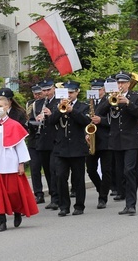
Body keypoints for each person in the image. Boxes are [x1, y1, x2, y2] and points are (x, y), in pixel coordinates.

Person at [0, 96, 39, 232]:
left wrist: (21, 163)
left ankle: (17, 211)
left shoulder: (14, 125)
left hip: (10, 163)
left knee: (13, 191)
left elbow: (20, 146)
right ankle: (1, 220)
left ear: (7, 107)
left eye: (1, 106)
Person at [96, 71, 138, 216]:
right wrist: (109, 99)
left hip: (131, 140)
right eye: (118, 83)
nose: (120, 85)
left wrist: (128, 103)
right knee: (120, 173)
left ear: (128, 84)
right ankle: (126, 202)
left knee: (129, 171)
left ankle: (131, 205)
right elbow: (99, 112)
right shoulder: (111, 98)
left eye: (123, 83)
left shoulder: (136, 97)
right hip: (116, 141)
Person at [47, 81, 90, 216]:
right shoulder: (57, 106)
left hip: (77, 147)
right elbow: (51, 121)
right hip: (61, 147)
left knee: (78, 178)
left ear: (77, 92)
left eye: (71, 92)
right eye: (67, 93)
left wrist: (73, 111)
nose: (69, 95)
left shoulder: (83, 106)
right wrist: (60, 110)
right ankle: (64, 206)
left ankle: (79, 206)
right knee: (60, 177)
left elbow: (86, 121)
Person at [86, 78, 113, 209]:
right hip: (91, 140)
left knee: (106, 170)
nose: (96, 91)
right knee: (90, 170)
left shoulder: (110, 101)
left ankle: (103, 197)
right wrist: (85, 134)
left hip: (106, 140)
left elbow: (113, 121)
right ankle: (101, 188)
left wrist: (101, 120)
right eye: (94, 89)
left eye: (99, 89)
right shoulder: (88, 103)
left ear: (104, 90)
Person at [33, 79, 60, 210]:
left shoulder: (59, 101)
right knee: (48, 170)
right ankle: (52, 193)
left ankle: (57, 197)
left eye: (48, 90)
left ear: (54, 89)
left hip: (55, 139)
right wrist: (38, 119)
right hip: (43, 140)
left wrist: (50, 114)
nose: (46, 93)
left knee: (54, 169)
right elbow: (32, 120)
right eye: (44, 91)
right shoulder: (38, 103)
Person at [26, 85, 46, 204]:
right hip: (34, 138)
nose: (37, 96)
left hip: (45, 138)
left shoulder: (47, 102)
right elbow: (28, 116)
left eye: (39, 93)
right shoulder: (30, 103)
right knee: (34, 168)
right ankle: (38, 193)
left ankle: (54, 192)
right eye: (35, 94)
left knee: (49, 169)